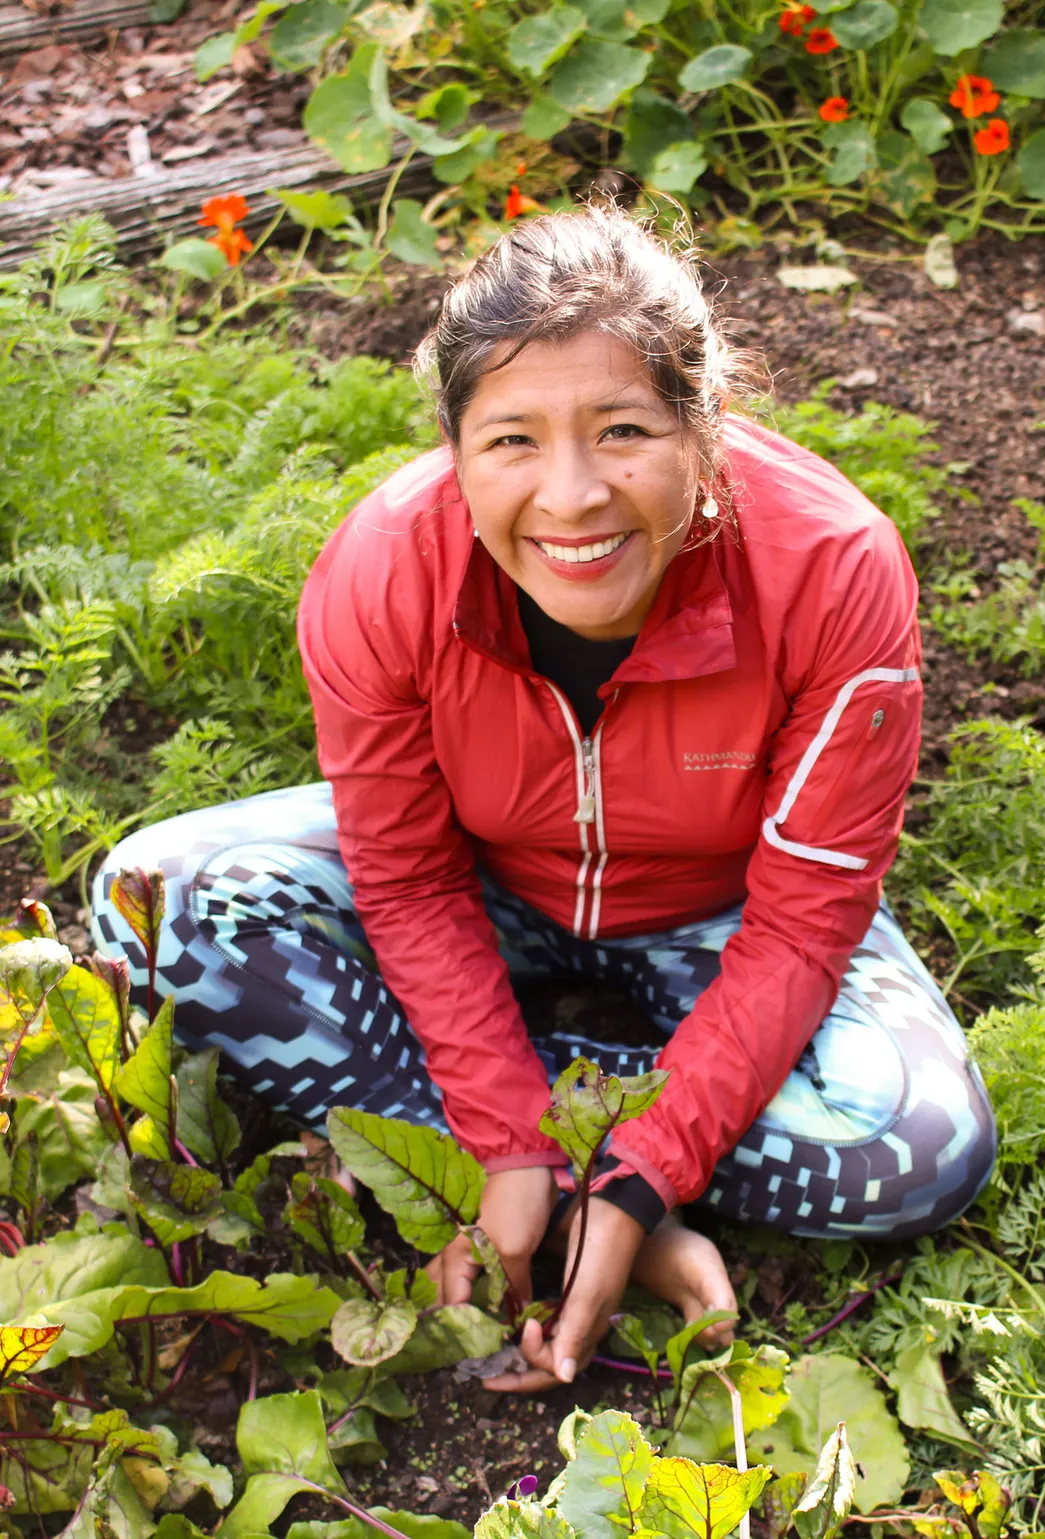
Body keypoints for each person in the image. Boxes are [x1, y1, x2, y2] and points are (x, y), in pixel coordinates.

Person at [91, 206, 995, 1394]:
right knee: (151, 903)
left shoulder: (831, 569)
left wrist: (644, 1170)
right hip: (482, 882)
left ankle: (560, 1134)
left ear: (704, 426)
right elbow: (407, 876)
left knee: (920, 1155)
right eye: (511, 440)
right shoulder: (384, 567)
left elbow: (801, 921)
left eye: (623, 430)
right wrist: (509, 1142)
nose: (570, 497)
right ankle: (547, 1151)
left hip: (728, 913)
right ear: (454, 451)